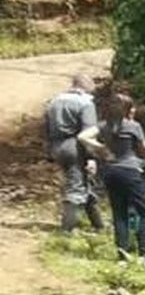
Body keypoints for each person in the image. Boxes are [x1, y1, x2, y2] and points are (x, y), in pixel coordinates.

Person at [78, 93, 145, 264]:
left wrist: (101, 148)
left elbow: (82, 136)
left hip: (110, 172)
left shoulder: (104, 126)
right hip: (130, 171)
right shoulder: (133, 126)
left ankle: (122, 255)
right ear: (128, 110)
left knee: (119, 213)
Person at [44, 74, 104, 232]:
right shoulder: (86, 103)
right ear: (87, 86)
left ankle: (98, 224)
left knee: (83, 183)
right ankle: (67, 229)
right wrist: (91, 157)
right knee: (76, 187)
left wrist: (49, 150)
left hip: (57, 145)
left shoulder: (54, 101)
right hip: (75, 146)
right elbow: (88, 132)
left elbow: (46, 128)